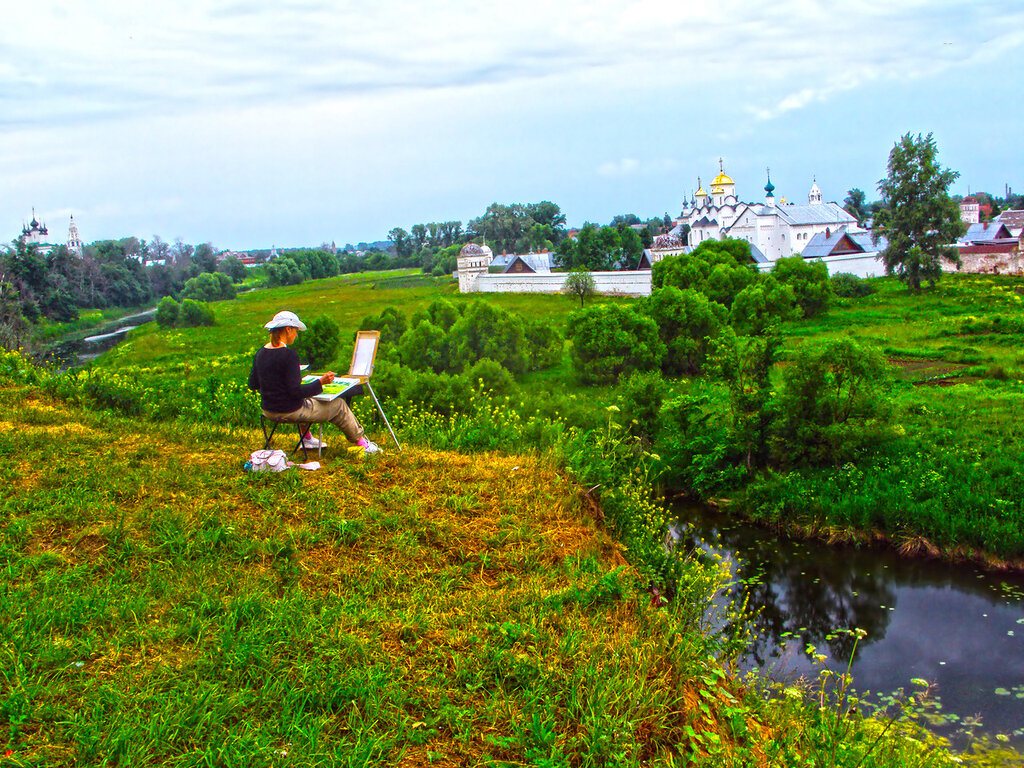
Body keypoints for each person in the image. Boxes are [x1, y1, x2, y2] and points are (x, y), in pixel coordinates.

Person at [248, 310, 380, 455]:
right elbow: (295, 392)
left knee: (309, 400)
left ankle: (306, 438)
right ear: (288, 329)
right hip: (289, 411)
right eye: (296, 331)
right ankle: (363, 444)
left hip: (268, 410)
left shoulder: (261, 353)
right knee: (339, 405)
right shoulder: (289, 355)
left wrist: (275, 382)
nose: (296, 335)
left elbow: (252, 384)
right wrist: (321, 382)